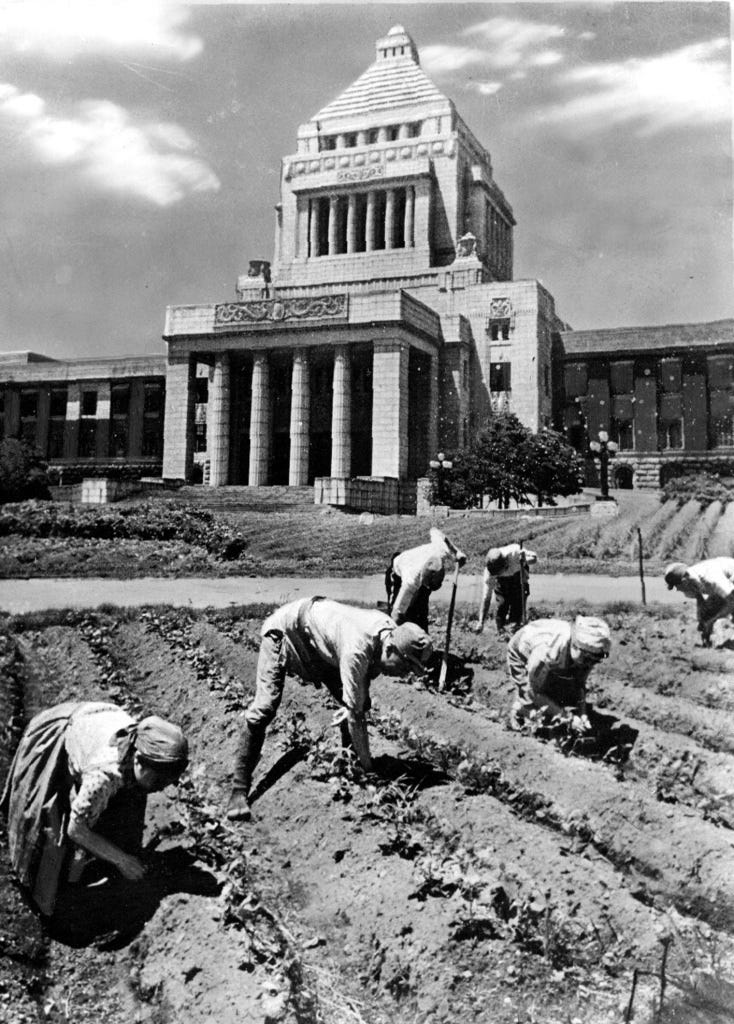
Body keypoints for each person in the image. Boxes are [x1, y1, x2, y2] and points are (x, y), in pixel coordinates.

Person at [226, 597, 433, 821]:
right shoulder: (357, 649)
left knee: (358, 703)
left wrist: (355, 703)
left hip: (321, 647)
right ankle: (239, 791)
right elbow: (356, 716)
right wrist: (370, 771)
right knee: (265, 707)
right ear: (391, 649)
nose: (405, 674)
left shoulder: (390, 632)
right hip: (286, 632)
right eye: (405, 665)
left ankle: (350, 766)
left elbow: (358, 701)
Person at [1, 701, 188, 917]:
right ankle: (38, 898)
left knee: (126, 806)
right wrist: (122, 860)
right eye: (158, 780)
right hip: (60, 734)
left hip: (95, 721)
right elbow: (76, 829)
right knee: (48, 829)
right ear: (137, 760)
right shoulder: (103, 776)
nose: (161, 787)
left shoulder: (143, 747)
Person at [506, 615, 611, 732]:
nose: (589, 664)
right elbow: (533, 691)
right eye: (587, 659)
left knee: (559, 694)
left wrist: (582, 714)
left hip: (553, 656)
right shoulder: (547, 652)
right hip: (521, 648)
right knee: (531, 702)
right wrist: (567, 717)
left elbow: (580, 683)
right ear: (576, 647)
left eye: (594, 661)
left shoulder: (587, 654)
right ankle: (516, 712)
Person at [385, 528, 467, 631]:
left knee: (420, 614)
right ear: (423, 580)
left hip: (418, 570)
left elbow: (435, 531)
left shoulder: (441, 551)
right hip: (398, 574)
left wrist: (456, 552)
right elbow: (396, 615)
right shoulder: (411, 580)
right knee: (400, 615)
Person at [664, 558, 734, 646]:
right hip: (726, 587)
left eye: (676, 586)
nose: (677, 590)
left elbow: (732, 601)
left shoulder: (711, 577)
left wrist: (713, 620)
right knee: (707, 616)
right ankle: (707, 642)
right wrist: (703, 622)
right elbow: (700, 601)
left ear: (684, 582)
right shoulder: (692, 581)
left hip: (730, 580)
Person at [474, 543, 538, 638]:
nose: (500, 573)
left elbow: (534, 558)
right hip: (502, 584)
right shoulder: (490, 573)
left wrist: (525, 559)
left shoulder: (514, 552)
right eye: (497, 573)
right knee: (501, 605)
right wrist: (481, 622)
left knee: (517, 606)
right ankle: (502, 632)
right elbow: (486, 598)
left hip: (518, 579)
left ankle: (515, 631)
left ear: (506, 563)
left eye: (500, 571)